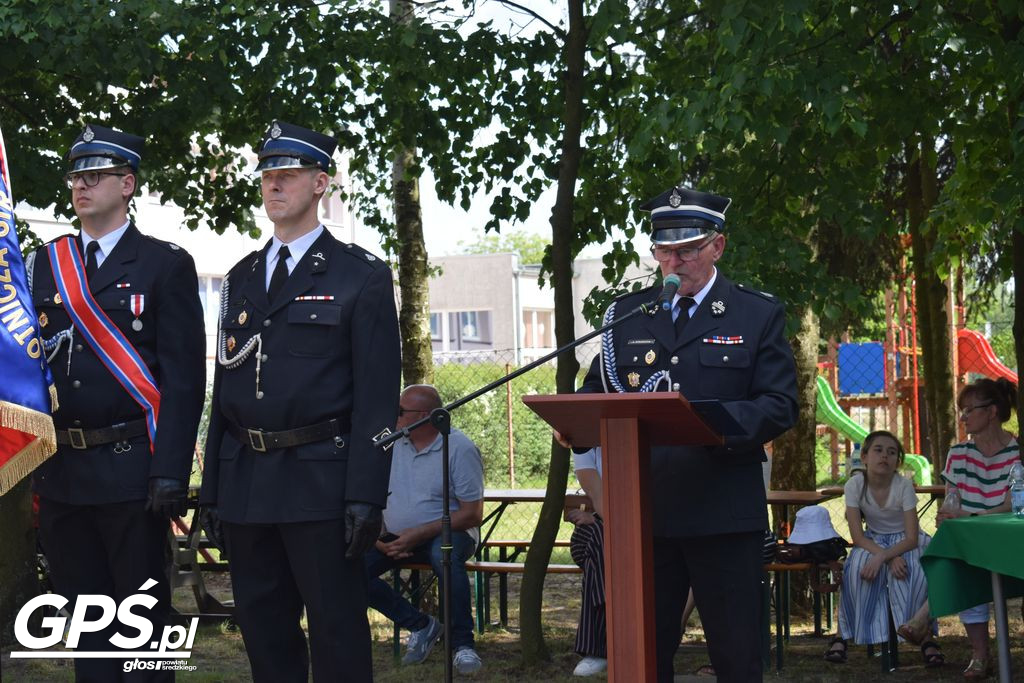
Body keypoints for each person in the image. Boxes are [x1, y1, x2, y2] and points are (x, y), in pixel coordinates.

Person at [557, 185, 799, 682]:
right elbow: (597, 391)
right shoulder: (627, 316)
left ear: (717, 247)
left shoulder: (755, 314)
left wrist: (711, 427)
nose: (675, 261)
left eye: (688, 249)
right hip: (645, 518)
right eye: (665, 250)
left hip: (723, 514)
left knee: (736, 657)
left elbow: (779, 405)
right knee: (642, 656)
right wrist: (574, 424)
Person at [199, 121, 401, 682]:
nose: (273, 185)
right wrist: (212, 490)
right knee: (265, 632)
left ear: (321, 183)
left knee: (337, 631)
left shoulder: (360, 275)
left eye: (287, 174)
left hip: (321, 483)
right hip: (245, 483)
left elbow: (378, 399)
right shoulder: (240, 277)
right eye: (267, 174)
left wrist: (365, 495)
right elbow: (226, 391)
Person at [30, 123, 206, 681]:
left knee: (141, 625)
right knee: (85, 623)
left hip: (133, 467)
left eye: (95, 175)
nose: (81, 186)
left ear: (127, 184)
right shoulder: (42, 265)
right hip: (63, 468)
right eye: (76, 176)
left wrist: (170, 471)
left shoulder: (162, 264)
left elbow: (182, 379)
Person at [363, 384, 485, 675]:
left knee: (445, 555)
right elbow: (373, 497)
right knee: (349, 566)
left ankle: (462, 645)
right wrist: (379, 537)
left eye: (401, 412)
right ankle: (420, 625)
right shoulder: (390, 444)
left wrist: (418, 533)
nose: (395, 418)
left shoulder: (459, 447)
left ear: (427, 416)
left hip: (449, 533)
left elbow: (472, 514)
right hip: (394, 535)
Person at [825, 430, 943, 668]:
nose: (884, 457)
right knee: (855, 568)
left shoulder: (903, 486)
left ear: (897, 461)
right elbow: (857, 536)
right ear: (865, 457)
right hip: (872, 540)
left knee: (915, 571)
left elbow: (911, 537)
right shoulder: (854, 485)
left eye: (892, 453)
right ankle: (843, 636)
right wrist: (885, 558)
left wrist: (887, 557)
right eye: (878, 450)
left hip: (907, 540)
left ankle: (922, 635)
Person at [935, 377, 1020, 679]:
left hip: (1008, 538)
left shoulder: (1018, 453)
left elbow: (1011, 506)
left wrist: (966, 516)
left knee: (964, 556)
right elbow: (950, 501)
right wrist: (948, 515)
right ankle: (981, 657)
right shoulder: (958, 455)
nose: (963, 418)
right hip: (970, 540)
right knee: (962, 562)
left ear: (992, 412)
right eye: (962, 411)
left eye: (969, 410)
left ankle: (922, 616)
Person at [566, 447, 607, 677]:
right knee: (595, 540)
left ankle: (597, 648)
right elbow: (597, 493)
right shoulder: (582, 441)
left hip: (641, 514)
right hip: (603, 516)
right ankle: (609, 632)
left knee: (597, 545)